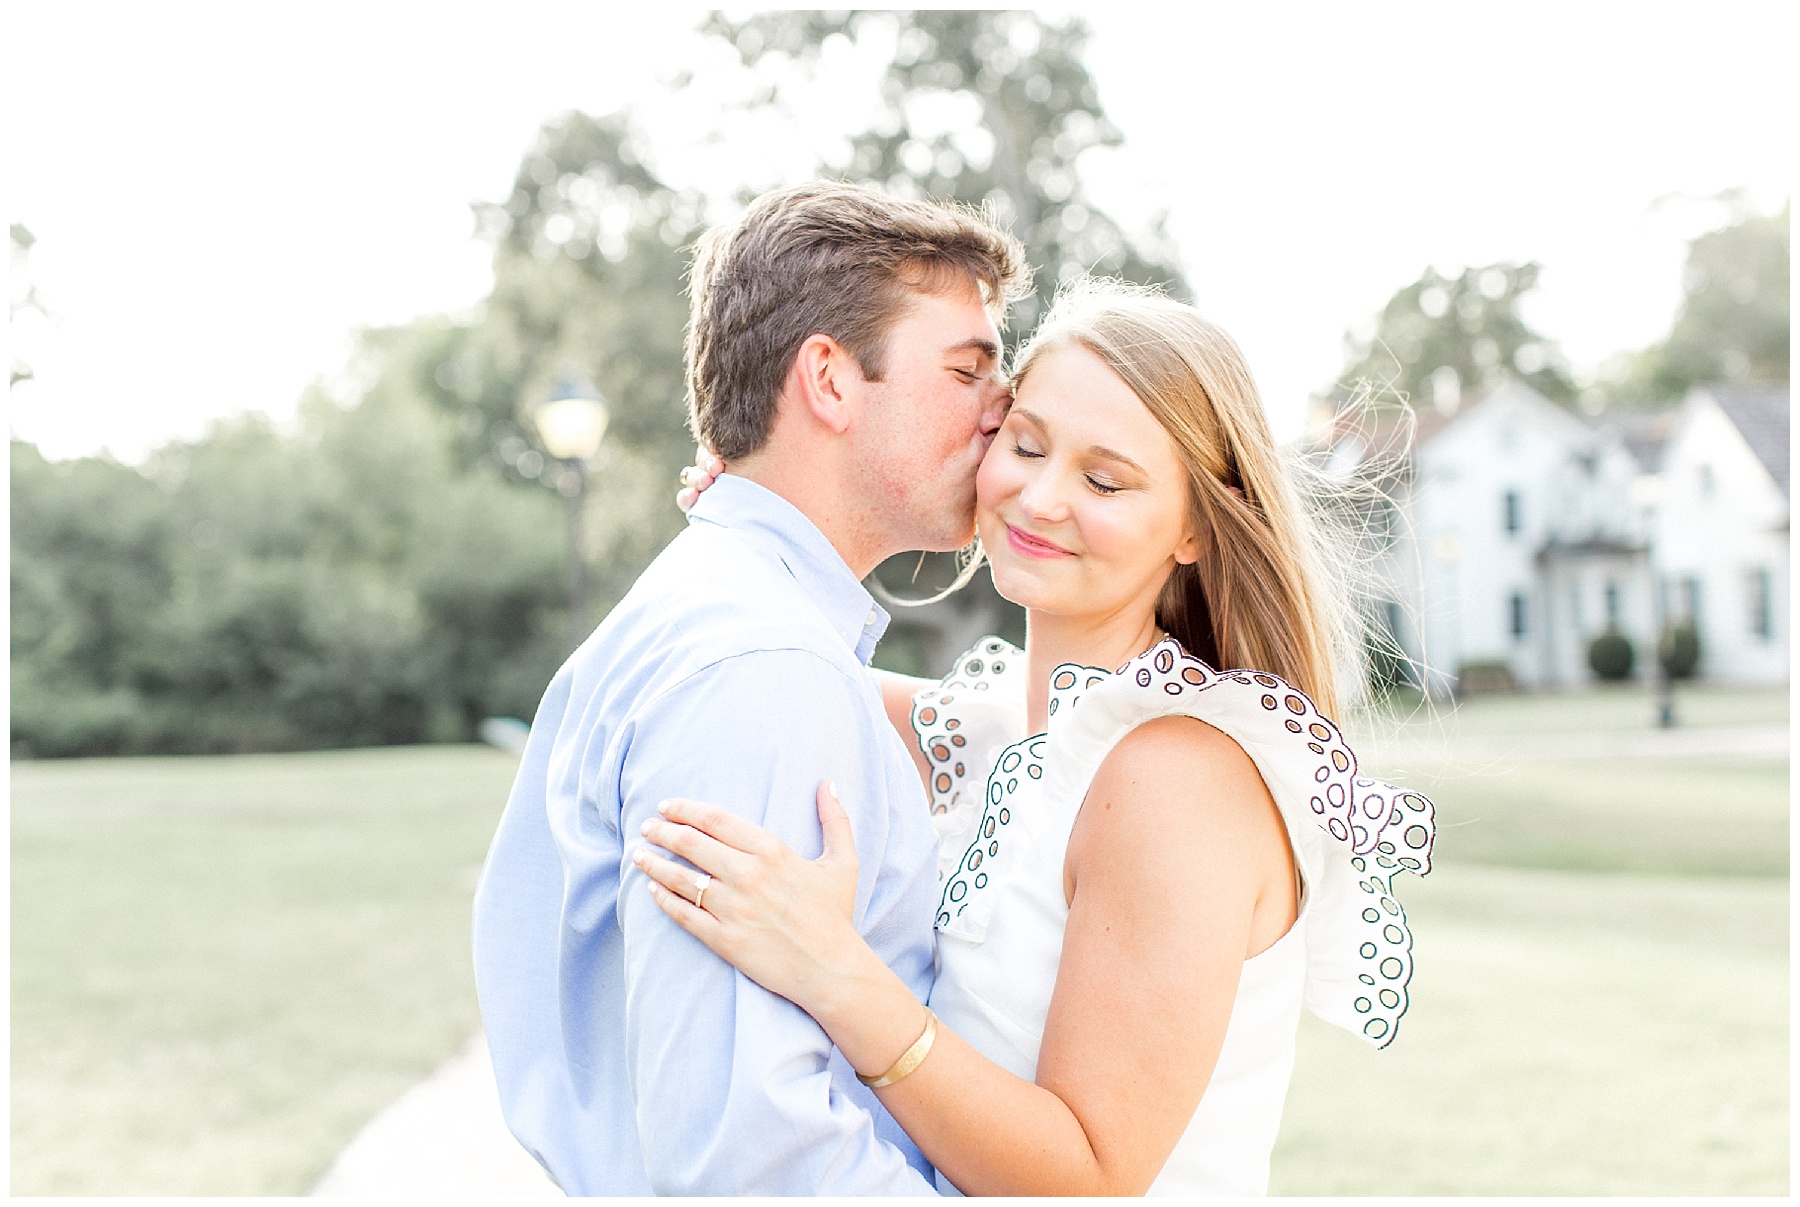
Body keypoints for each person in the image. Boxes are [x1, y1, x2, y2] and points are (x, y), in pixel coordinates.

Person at [636, 281, 1436, 1195]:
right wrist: (758, 511)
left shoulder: (1177, 778)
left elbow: (1089, 1175)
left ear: (1193, 529)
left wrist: (836, 976)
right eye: (1025, 443)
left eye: (1104, 479)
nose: (1041, 497)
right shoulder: (991, 733)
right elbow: (787, 664)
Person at [470, 181, 1030, 1195]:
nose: (1007, 410)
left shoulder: (741, 623)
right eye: (966, 370)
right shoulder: (763, 670)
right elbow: (751, 1168)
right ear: (828, 378)